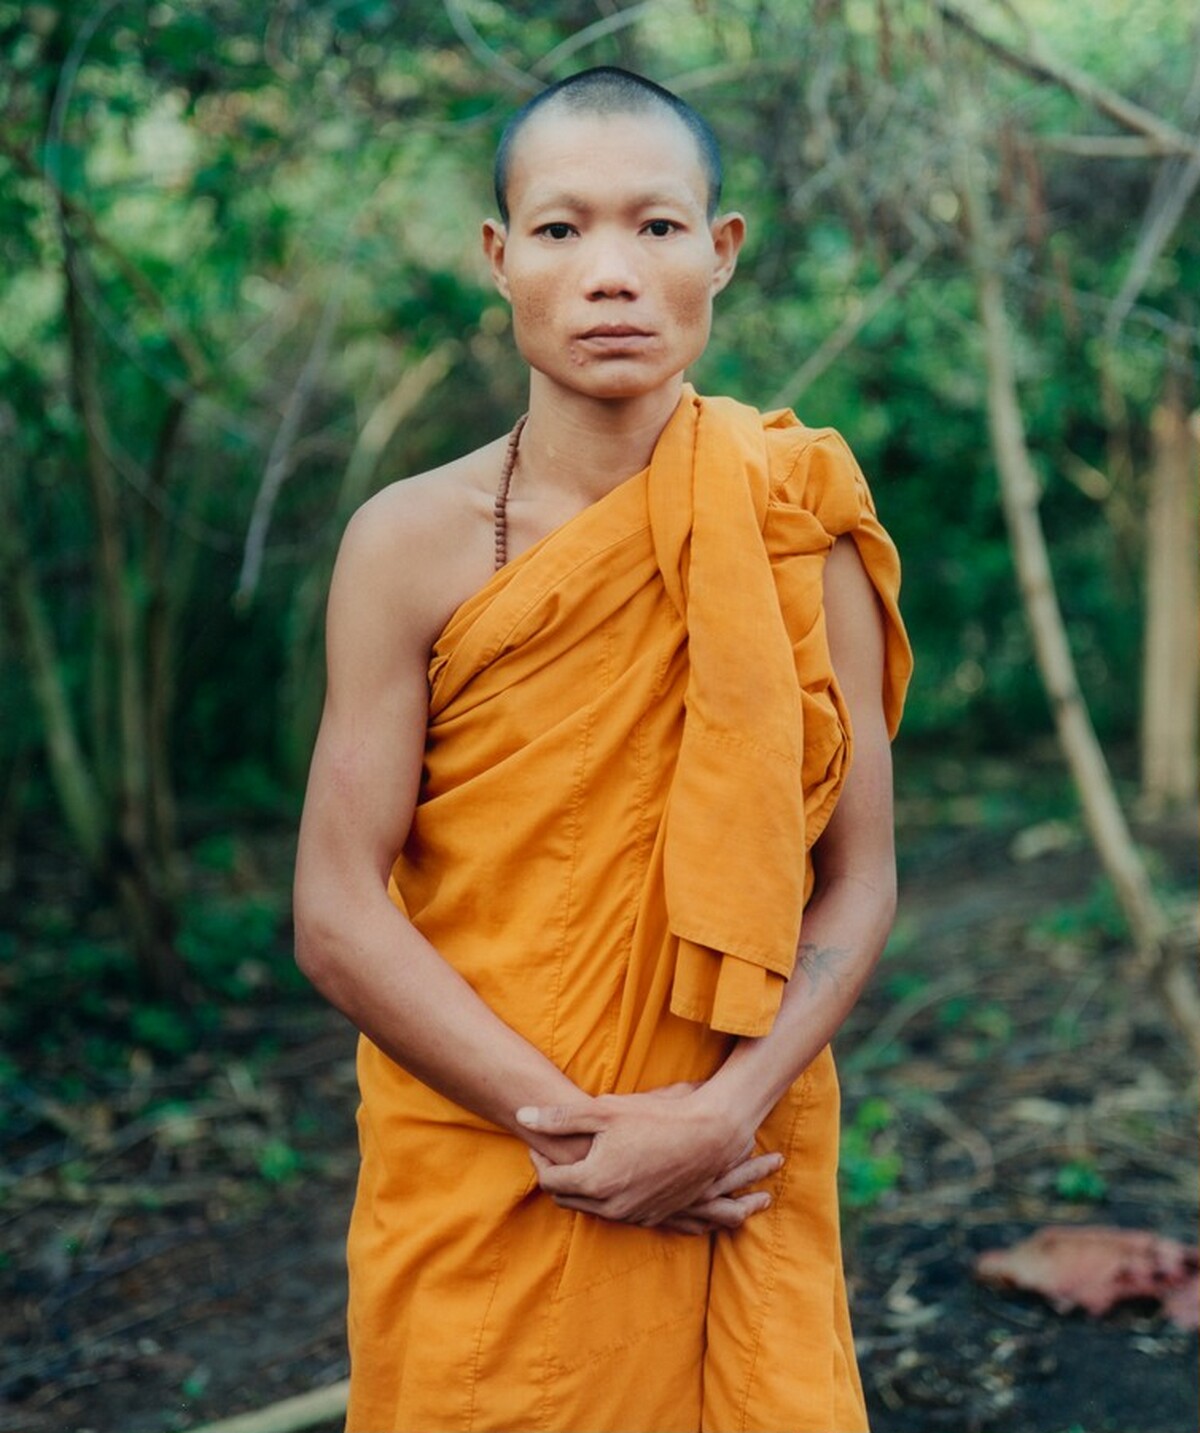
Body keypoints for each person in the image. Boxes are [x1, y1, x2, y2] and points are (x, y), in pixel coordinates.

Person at [294, 65, 911, 1433]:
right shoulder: (407, 543)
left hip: (731, 1157)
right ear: (500, 261)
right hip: (487, 1163)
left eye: (657, 226)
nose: (612, 273)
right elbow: (337, 907)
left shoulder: (797, 526)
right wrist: (575, 1132)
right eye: (564, 231)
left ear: (722, 252)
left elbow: (858, 881)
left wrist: (712, 1119)